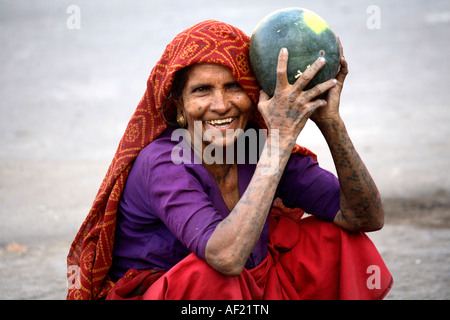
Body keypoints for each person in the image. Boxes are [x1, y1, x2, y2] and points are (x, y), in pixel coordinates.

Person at [66, 20, 393, 300]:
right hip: (187, 294)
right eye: (202, 90)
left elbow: (364, 217)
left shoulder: (260, 146)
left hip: (246, 289)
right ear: (179, 107)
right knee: (211, 273)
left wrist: (330, 121)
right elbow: (227, 258)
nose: (221, 105)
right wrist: (279, 143)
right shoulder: (163, 163)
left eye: (235, 87)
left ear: (254, 96)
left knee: (334, 238)